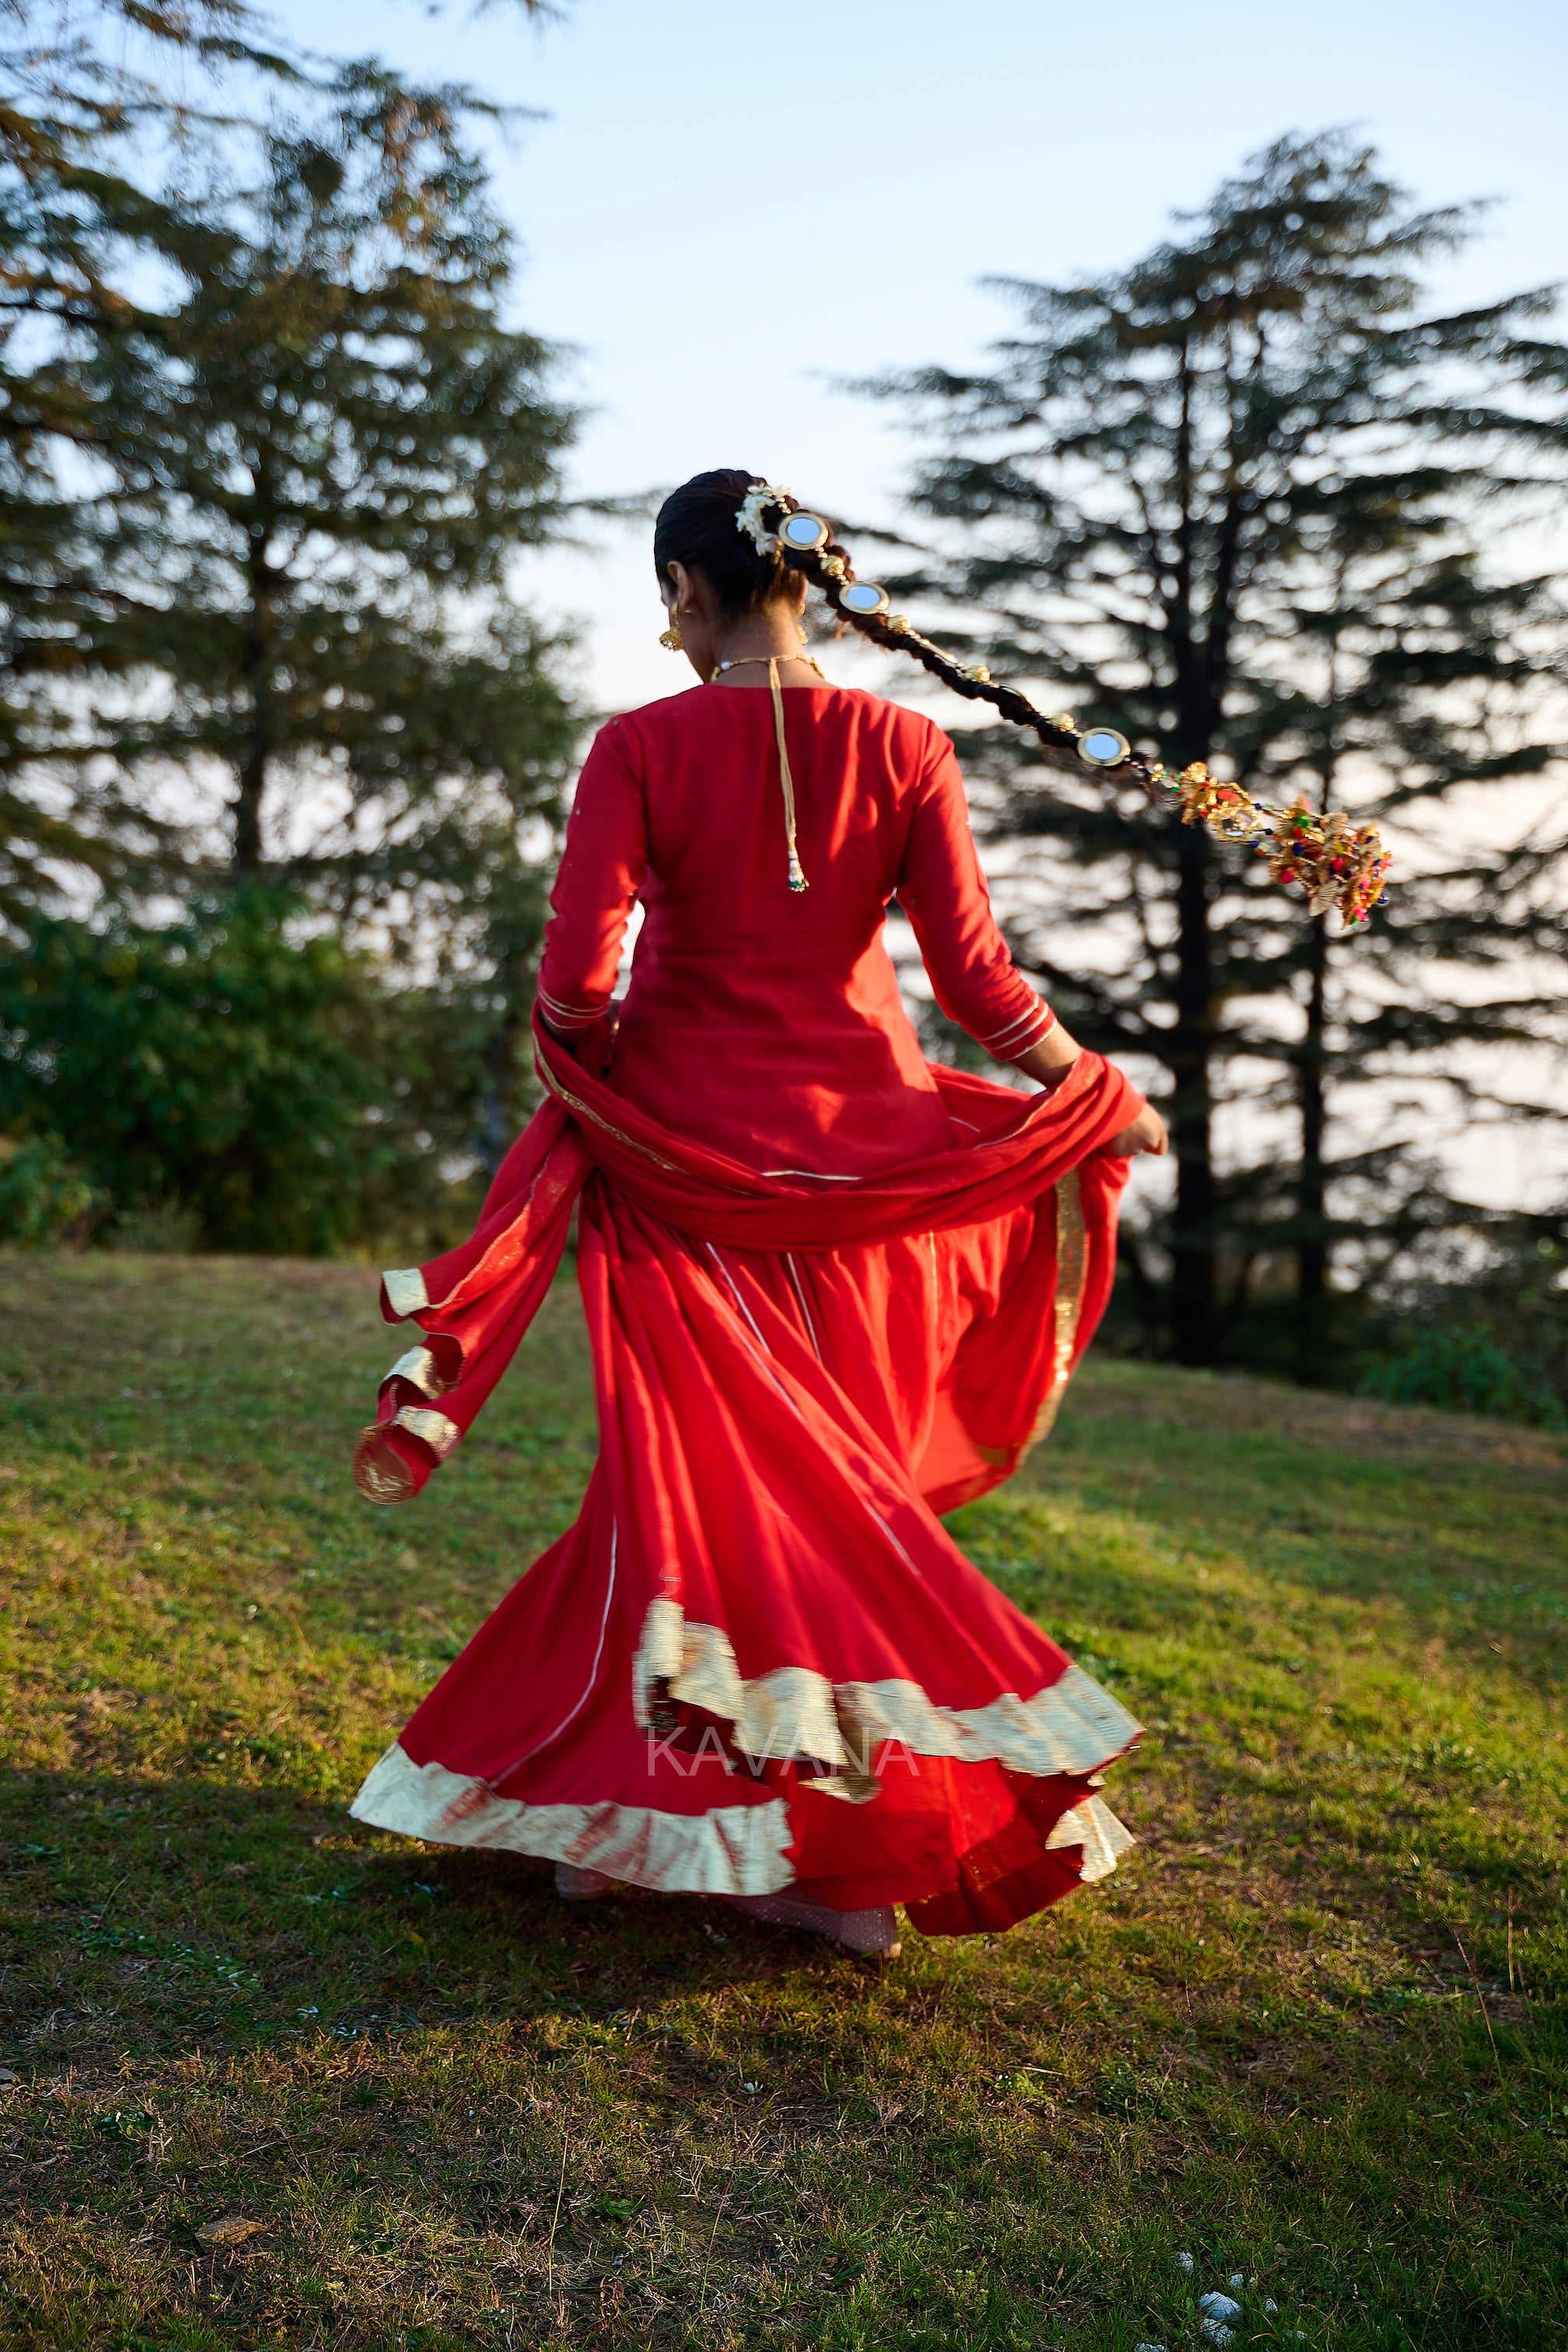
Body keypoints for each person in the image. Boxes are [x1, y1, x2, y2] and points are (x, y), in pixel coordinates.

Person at [348, 472, 1167, 1961]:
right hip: (868, 1185)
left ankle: (719, 1842)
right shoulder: (908, 742)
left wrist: (580, 1075)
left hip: (677, 1174)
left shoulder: (641, 747)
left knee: (696, 1499)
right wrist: (1094, 1089)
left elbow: (580, 978)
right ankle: (744, 1843)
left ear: (685, 588)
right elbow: (980, 986)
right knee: (815, 1506)